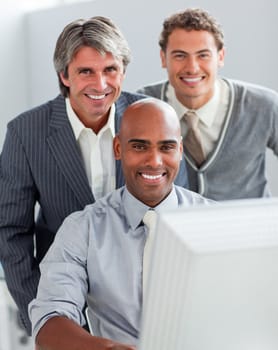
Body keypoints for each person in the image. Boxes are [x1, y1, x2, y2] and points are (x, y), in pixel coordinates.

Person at [0, 16, 153, 336]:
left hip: (142, 302)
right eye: (86, 71)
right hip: (63, 298)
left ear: (123, 71)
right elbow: (10, 231)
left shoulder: (151, 117)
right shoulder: (25, 132)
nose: (100, 85)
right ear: (64, 75)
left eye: (110, 70)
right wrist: (41, 315)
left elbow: (172, 214)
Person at [29, 98, 211, 350]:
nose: (155, 161)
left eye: (166, 147)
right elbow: (49, 323)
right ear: (117, 149)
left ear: (180, 150)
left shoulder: (217, 223)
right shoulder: (84, 229)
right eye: (139, 146)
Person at [137, 8, 278, 201]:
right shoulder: (141, 106)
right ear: (164, 58)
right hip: (173, 227)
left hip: (248, 227)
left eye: (203, 55)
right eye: (180, 55)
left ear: (220, 57)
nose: (192, 67)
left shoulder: (263, 105)